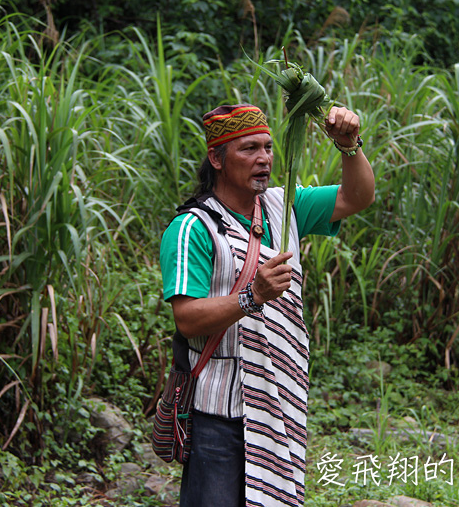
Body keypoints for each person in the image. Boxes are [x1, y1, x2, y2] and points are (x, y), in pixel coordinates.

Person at [159, 103, 375, 507]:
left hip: (278, 405)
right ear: (216, 159)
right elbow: (187, 319)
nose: (264, 159)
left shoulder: (284, 206)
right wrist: (252, 296)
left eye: (268, 148)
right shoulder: (193, 227)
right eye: (248, 150)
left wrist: (348, 146)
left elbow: (357, 196)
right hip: (219, 416)